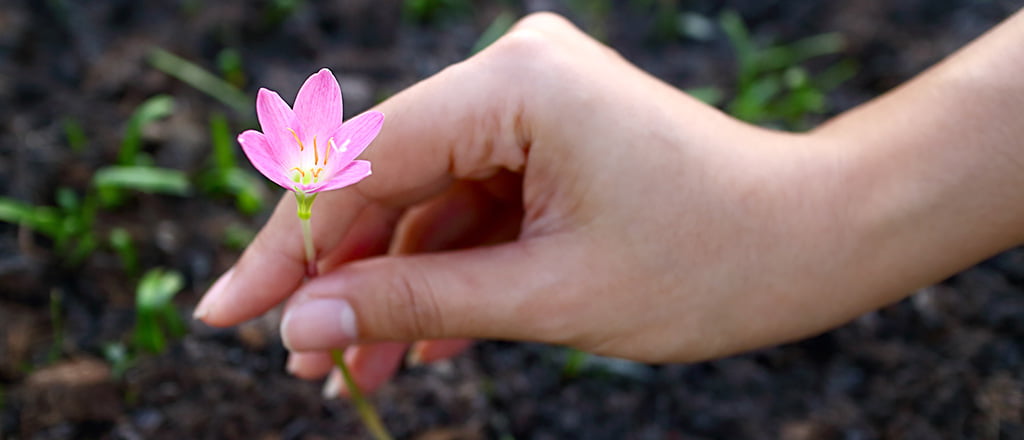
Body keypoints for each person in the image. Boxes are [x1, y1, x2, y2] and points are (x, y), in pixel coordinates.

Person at [194, 11, 1024, 397]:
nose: (310, 167)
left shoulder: (343, 163)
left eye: (323, 160)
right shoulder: (316, 167)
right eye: (302, 164)